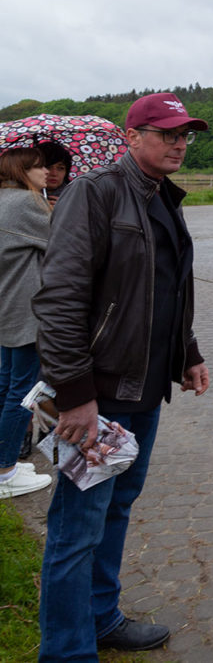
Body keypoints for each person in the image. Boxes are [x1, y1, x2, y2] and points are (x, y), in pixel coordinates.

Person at [32, 92, 210, 659]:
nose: (179, 143)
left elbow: (165, 289)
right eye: (166, 133)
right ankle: (65, 651)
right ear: (132, 137)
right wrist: (77, 396)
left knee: (116, 507)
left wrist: (188, 352)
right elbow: (58, 301)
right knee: (76, 527)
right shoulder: (95, 194)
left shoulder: (163, 197)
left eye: (185, 134)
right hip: (98, 397)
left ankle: (101, 619)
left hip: (143, 391)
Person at [0, 147, 54, 498]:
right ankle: (5, 471)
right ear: (21, 171)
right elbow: (64, 241)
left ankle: (4, 463)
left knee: (5, 385)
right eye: (38, 167)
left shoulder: (2, 200)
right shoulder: (25, 203)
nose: (46, 172)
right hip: (25, 311)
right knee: (23, 391)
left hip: (5, 307)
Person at [39, 141, 72, 207]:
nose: (54, 173)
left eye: (60, 168)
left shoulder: (75, 196)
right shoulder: (24, 196)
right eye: (48, 167)